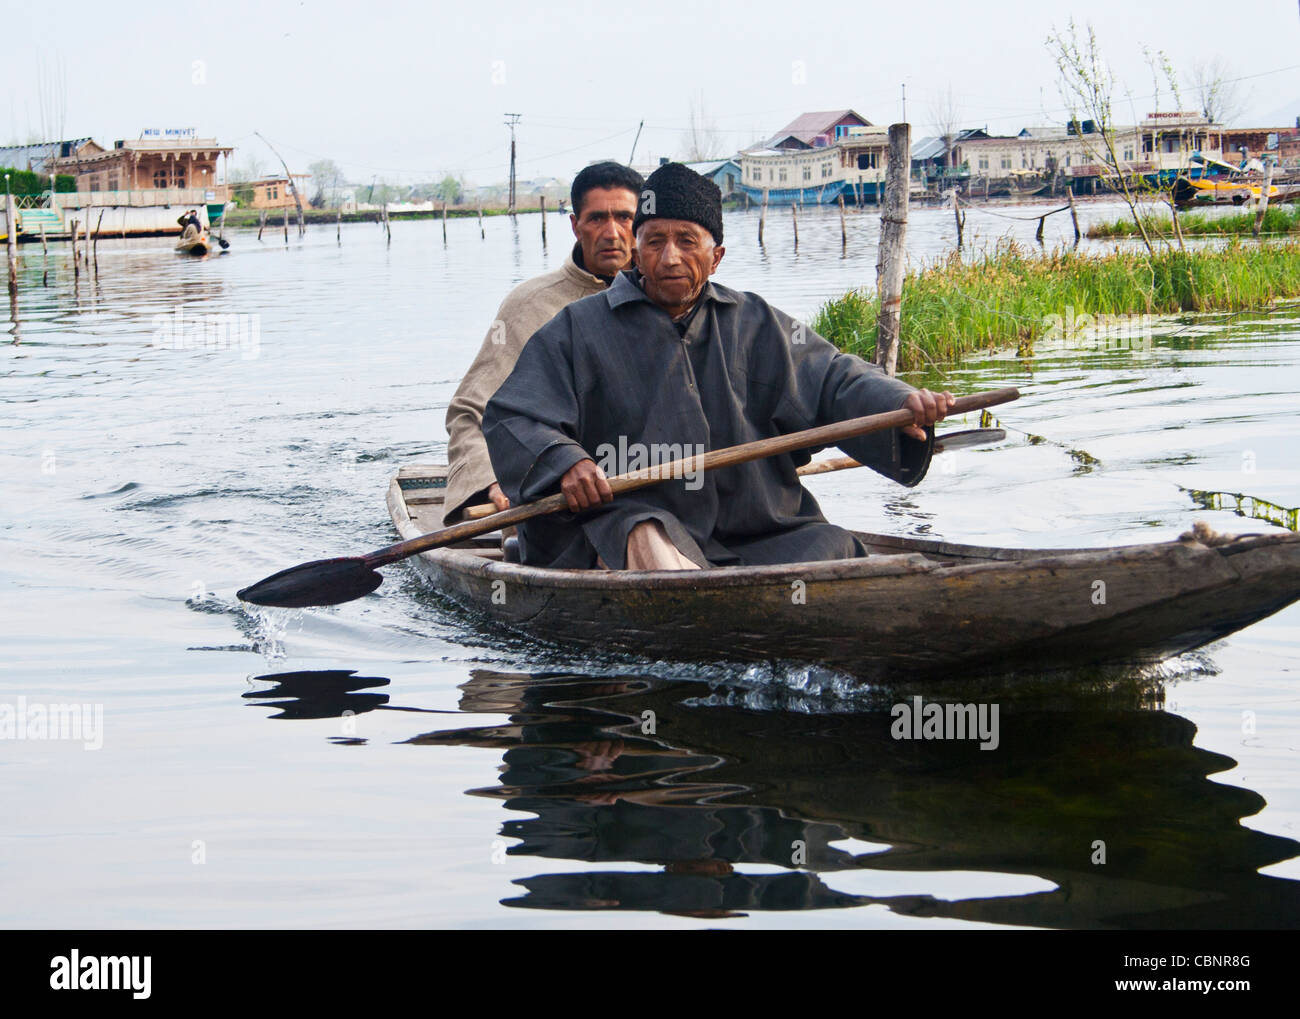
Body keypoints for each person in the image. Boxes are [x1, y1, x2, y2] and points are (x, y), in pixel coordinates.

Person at [482, 162, 954, 571]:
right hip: (631, 522)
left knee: (831, 544)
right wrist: (567, 461)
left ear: (717, 256)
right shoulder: (577, 328)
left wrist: (898, 405)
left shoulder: (754, 321)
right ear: (637, 249)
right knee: (646, 536)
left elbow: (834, 378)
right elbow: (513, 415)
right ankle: (691, 610)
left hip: (756, 527)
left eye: (687, 241)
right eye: (654, 241)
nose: (669, 258)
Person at [442, 162, 644, 523]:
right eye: (597, 218)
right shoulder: (531, 304)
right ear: (575, 225)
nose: (612, 233)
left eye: (625, 218)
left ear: (642, 224)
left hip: (649, 485)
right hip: (555, 497)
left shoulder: (669, 299)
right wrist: (494, 480)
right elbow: (472, 412)